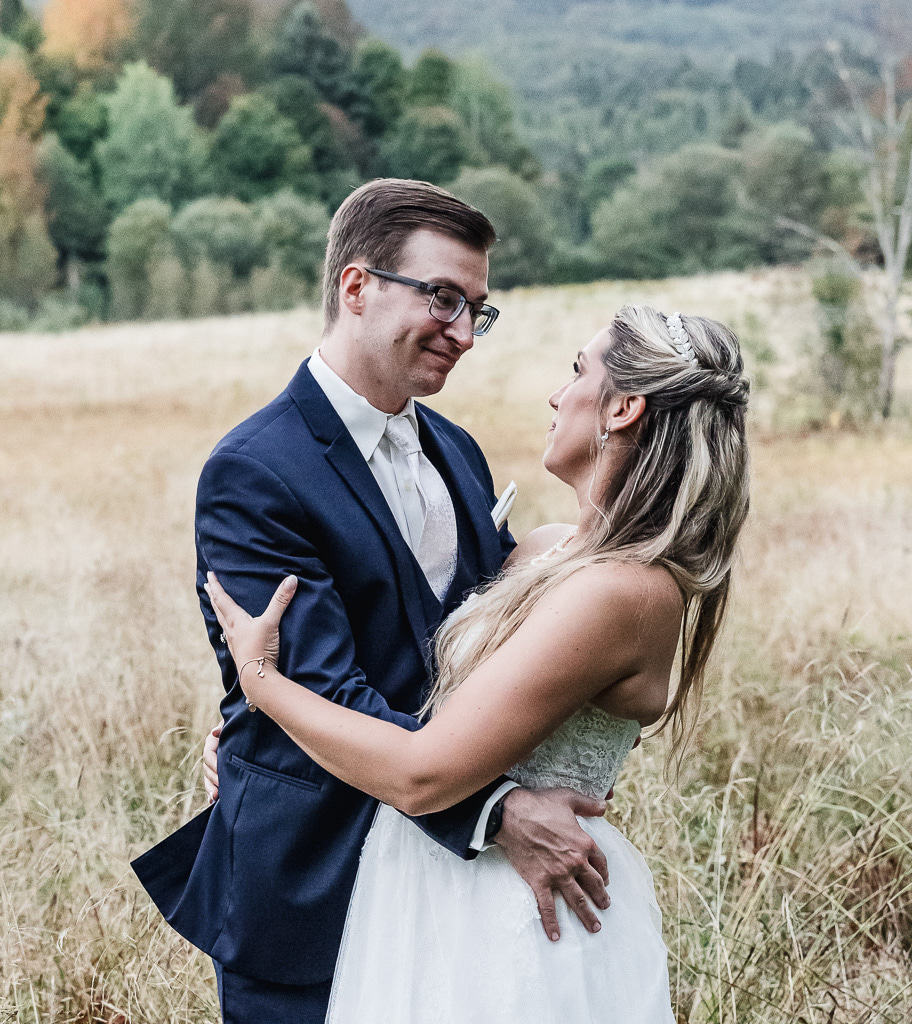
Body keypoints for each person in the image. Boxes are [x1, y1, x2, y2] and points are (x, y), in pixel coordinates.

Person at [132, 178, 616, 1024]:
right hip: (313, 884)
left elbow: (485, 648)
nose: (463, 333)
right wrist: (496, 811)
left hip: (447, 893)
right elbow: (319, 689)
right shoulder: (255, 471)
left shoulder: (455, 449)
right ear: (355, 287)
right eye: (442, 298)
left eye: (477, 309)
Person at [205, 303, 751, 1022]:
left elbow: (422, 769)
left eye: (577, 371)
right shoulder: (545, 551)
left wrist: (265, 686)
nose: (558, 395)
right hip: (417, 891)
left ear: (623, 409)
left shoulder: (624, 591)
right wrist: (259, 739)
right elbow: (409, 672)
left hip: (514, 917)